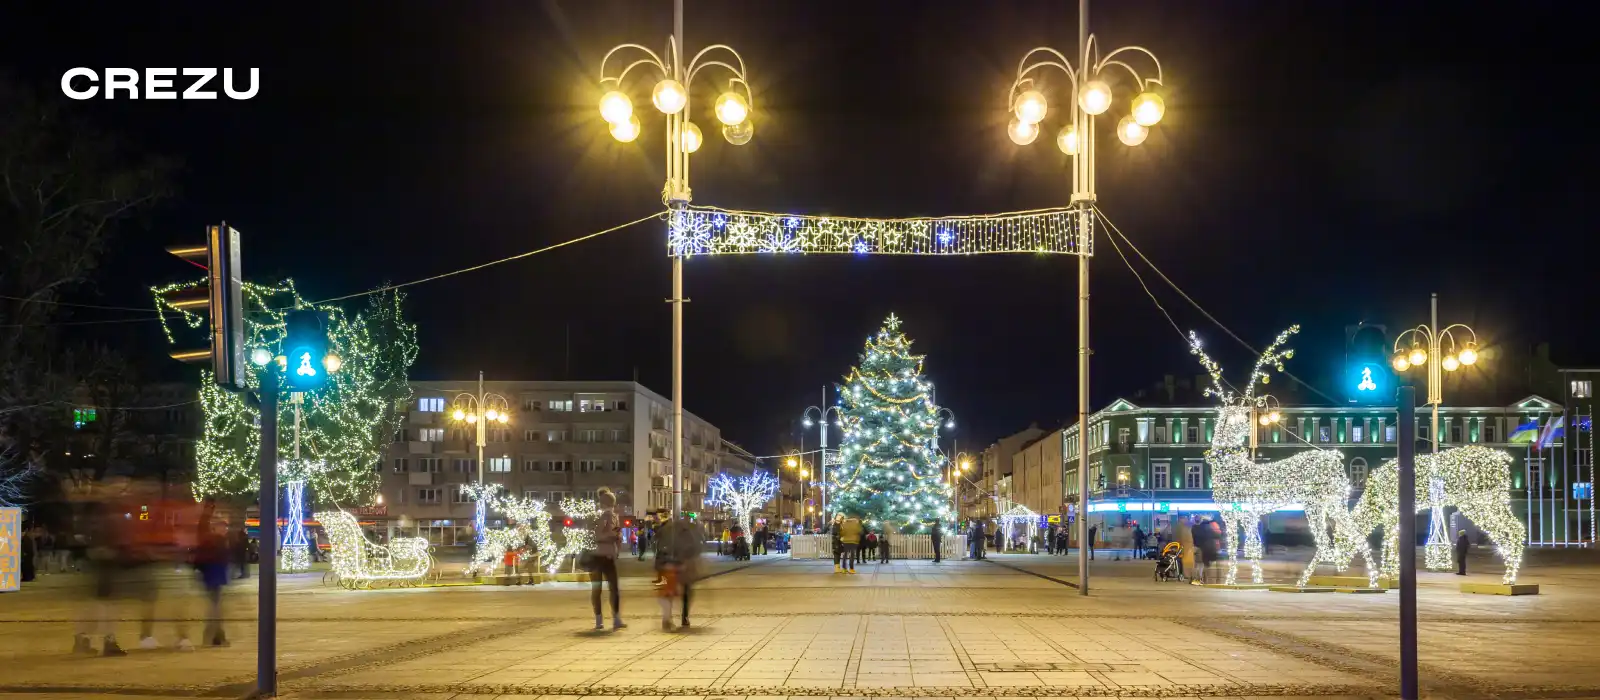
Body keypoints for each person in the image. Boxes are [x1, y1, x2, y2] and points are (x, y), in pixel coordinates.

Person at [590, 487, 625, 630]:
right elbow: (596, 535)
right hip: (598, 555)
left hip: (607, 555)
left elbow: (617, 535)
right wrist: (612, 536)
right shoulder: (600, 517)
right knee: (600, 589)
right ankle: (601, 619)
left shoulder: (613, 516)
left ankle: (612, 619)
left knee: (611, 588)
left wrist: (618, 538)